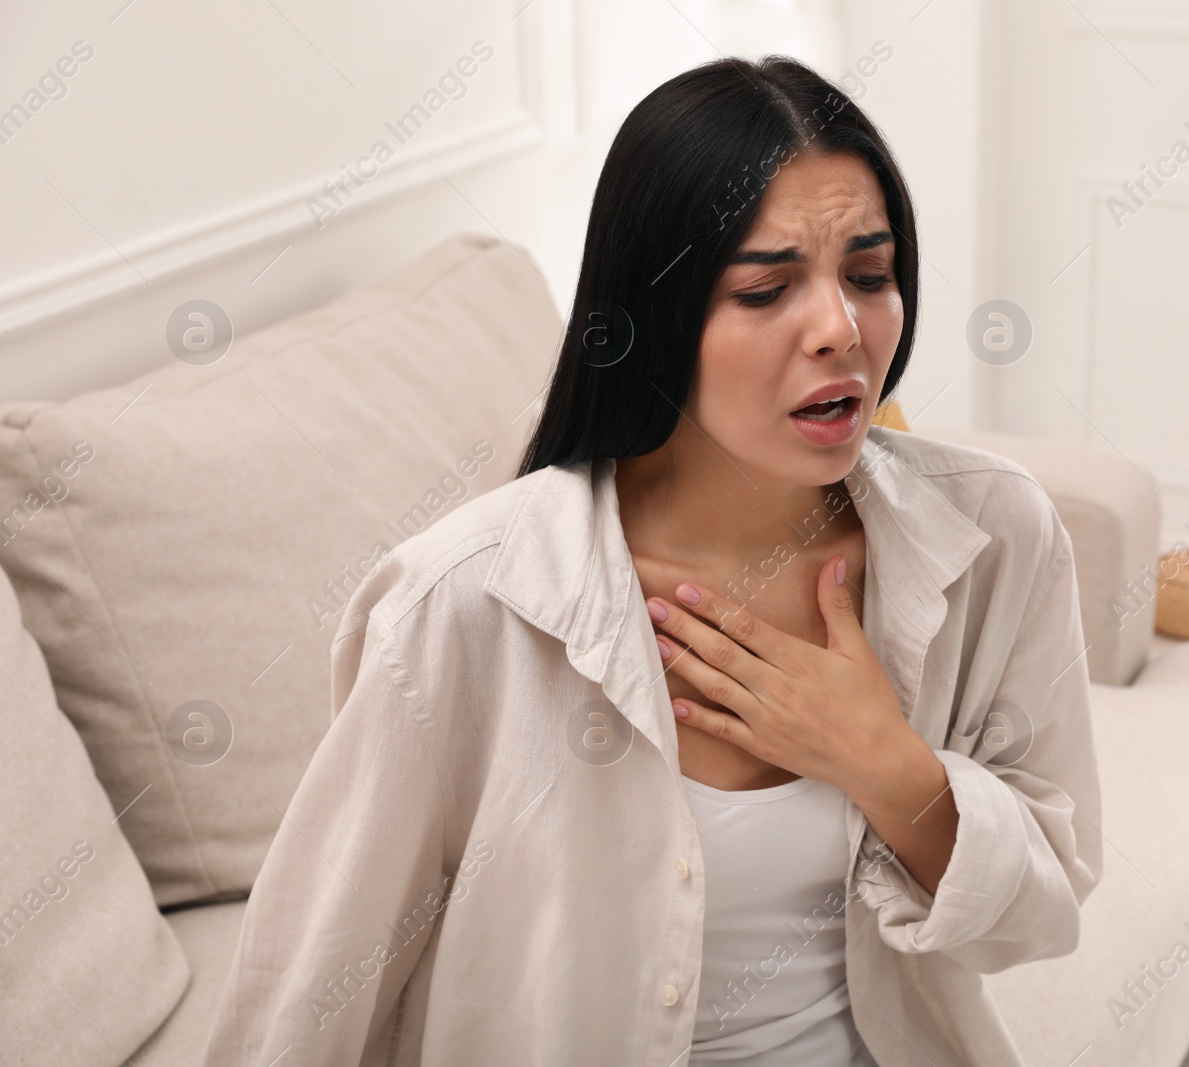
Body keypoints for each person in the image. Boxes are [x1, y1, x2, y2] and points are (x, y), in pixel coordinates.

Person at [202, 54, 1101, 1067]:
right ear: (653, 316)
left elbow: (1036, 910)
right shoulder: (461, 603)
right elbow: (315, 979)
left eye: (869, 274)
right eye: (766, 290)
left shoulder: (998, 536)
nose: (840, 330)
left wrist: (887, 764)